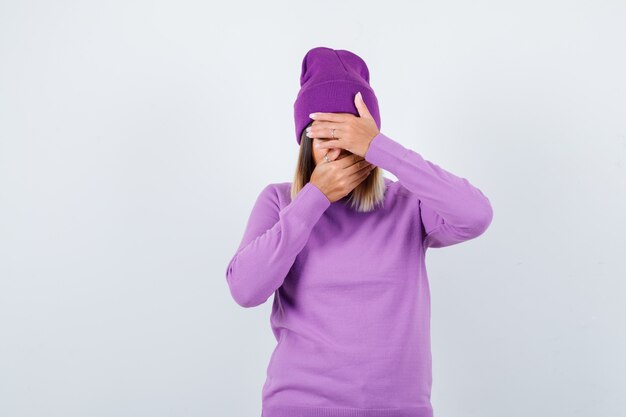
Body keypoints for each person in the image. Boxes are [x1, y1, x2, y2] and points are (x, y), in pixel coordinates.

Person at [225, 46, 494, 417]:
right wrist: (313, 199)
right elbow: (245, 289)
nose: (337, 152)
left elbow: (475, 215)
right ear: (305, 146)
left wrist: (381, 148)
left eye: (349, 138)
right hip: (300, 406)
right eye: (324, 138)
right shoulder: (280, 201)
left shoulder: (408, 205)